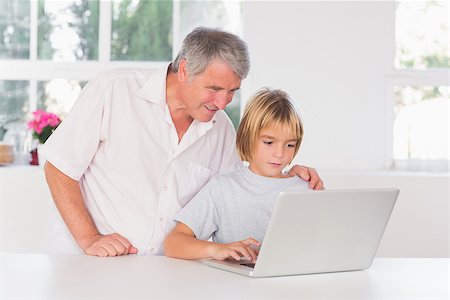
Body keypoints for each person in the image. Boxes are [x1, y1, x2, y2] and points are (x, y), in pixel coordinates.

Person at [42, 27, 323, 257]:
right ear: (185, 71)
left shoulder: (221, 128)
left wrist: (284, 176)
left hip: (168, 272)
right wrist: (90, 238)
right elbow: (59, 168)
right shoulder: (114, 89)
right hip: (91, 261)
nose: (223, 102)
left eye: (232, 91)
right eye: (214, 88)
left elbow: (239, 186)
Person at [164, 88, 309, 261]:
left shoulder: (306, 188)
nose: (279, 153)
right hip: (233, 286)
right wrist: (217, 250)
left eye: (290, 145)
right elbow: (173, 243)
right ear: (248, 136)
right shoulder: (223, 188)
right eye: (269, 142)